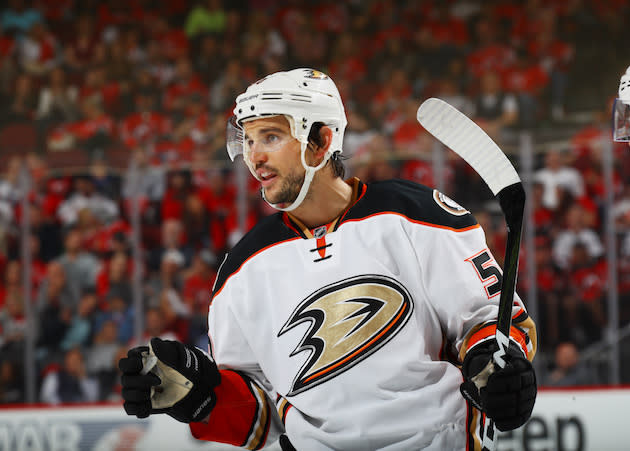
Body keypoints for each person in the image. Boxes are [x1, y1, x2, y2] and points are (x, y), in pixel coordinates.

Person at [119, 68, 537, 450]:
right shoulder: (241, 270)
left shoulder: (419, 216)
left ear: (320, 141)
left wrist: (496, 365)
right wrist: (199, 396)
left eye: (270, 137)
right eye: (247, 140)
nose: (254, 156)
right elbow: (260, 418)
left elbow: (499, 325)